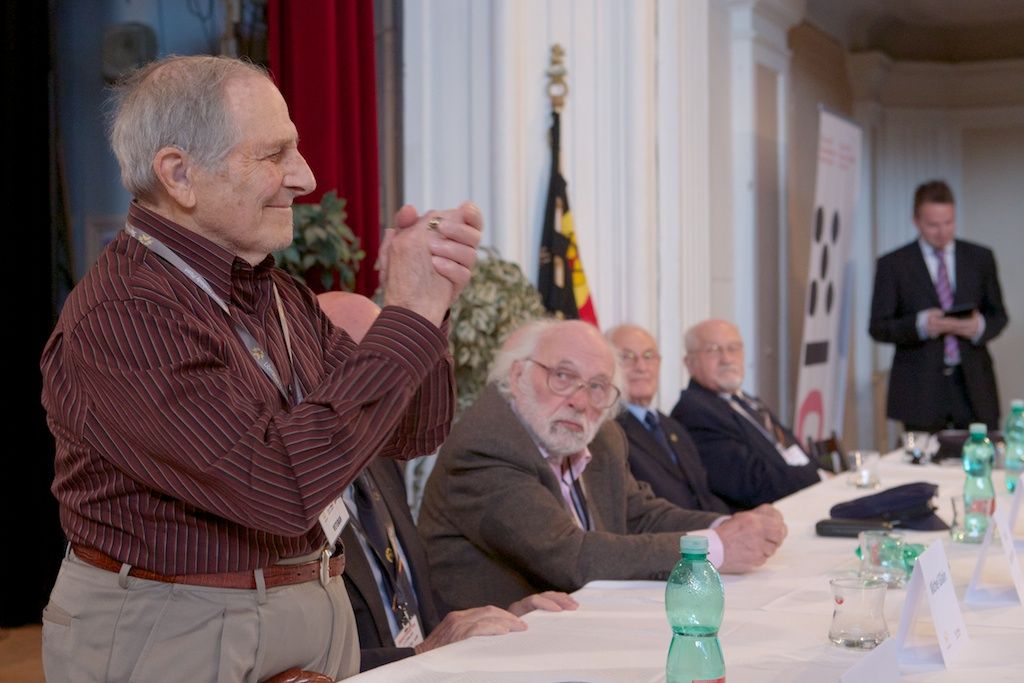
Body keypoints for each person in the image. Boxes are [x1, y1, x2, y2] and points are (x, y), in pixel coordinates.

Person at [39, 55, 482, 682]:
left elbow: (409, 432)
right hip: (179, 634)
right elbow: (278, 488)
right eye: (274, 154)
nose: (304, 177)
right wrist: (404, 316)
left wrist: (427, 310)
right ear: (179, 174)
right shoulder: (127, 314)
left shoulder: (277, 293)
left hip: (297, 619)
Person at [418, 319, 788, 611]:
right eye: (562, 376)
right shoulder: (487, 447)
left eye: (597, 386)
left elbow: (640, 514)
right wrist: (714, 548)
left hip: (580, 623)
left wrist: (728, 525)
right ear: (518, 376)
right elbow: (570, 556)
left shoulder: (603, 437)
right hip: (484, 655)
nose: (580, 401)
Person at [317, 293, 577, 671]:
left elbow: (415, 607)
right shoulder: (283, 484)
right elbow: (298, 666)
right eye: (362, 368)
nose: (383, 388)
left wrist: (506, 617)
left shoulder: (384, 460)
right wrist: (422, 652)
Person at [869, 179, 1008, 432]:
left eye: (949, 222)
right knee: (923, 465)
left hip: (974, 386)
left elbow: (999, 315)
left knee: (981, 458)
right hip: (920, 389)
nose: (942, 231)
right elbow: (878, 326)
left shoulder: (980, 258)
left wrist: (978, 326)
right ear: (917, 220)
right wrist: (921, 325)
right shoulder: (894, 264)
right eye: (933, 225)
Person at [671, 319, 822, 511]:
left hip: (797, 500)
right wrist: (818, 475)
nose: (726, 358)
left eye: (734, 348)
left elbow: (790, 446)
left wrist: (820, 470)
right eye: (713, 350)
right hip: (761, 518)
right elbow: (753, 483)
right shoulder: (694, 412)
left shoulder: (747, 402)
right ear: (689, 363)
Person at [606, 324, 729, 513]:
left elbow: (703, 494)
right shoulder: (608, 431)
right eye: (627, 357)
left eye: (648, 356)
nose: (641, 367)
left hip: (703, 534)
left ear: (659, 363)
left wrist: (730, 523)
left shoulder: (673, 426)